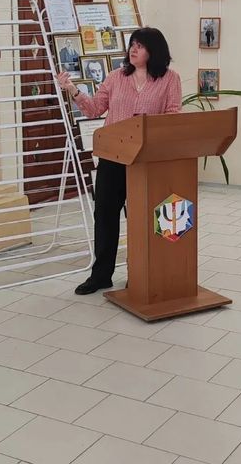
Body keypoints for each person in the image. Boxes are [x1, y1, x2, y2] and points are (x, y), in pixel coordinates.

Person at [57, 27, 182, 295]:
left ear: (154, 50)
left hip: (146, 159)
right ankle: (101, 275)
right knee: (105, 214)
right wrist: (73, 90)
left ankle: (141, 273)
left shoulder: (170, 79)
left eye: (140, 45)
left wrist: (146, 127)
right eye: (132, 44)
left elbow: (173, 116)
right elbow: (94, 109)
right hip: (113, 156)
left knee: (143, 217)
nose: (133, 49)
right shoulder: (115, 77)